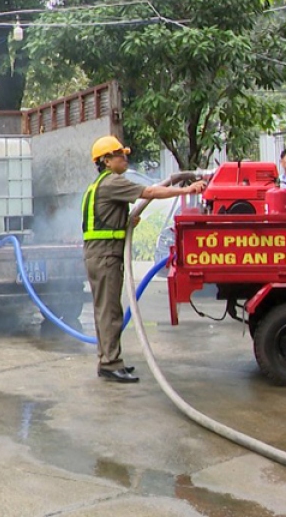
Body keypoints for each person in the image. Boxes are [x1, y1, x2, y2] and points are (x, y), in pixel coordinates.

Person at [82, 136, 205, 383]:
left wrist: (127, 223)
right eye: (119, 154)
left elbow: (104, 220)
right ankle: (110, 363)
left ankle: (108, 359)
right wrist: (187, 189)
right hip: (105, 255)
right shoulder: (112, 183)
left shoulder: (100, 185)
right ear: (106, 161)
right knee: (110, 311)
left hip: (102, 254)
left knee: (108, 310)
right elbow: (149, 192)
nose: (124, 158)